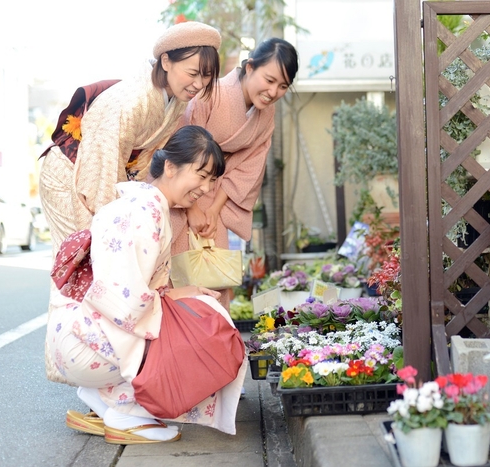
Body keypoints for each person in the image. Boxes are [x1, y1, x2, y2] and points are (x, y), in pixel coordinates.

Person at [39, 21, 222, 383]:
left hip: (107, 177)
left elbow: (143, 165)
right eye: (193, 73)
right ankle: (86, 373)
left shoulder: (171, 104)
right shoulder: (131, 99)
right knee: (89, 268)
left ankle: (103, 376)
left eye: (206, 77)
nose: (198, 84)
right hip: (73, 179)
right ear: (165, 61)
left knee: (111, 275)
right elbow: (100, 166)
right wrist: (115, 226)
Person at [48, 125, 247, 444]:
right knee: (198, 336)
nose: (206, 188)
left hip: (74, 337)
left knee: (192, 310)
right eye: (202, 175)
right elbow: (123, 300)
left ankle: (103, 398)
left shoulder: (138, 203)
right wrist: (180, 311)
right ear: (170, 167)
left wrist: (182, 295)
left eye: (212, 180)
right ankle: (123, 413)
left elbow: (132, 288)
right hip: (85, 347)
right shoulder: (146, 213)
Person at [139, 38, 299, 309]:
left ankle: (212, 341)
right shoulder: (213, 92)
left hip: (215, 197)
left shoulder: (266, 115)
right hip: (182, 188)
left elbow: (250, 165)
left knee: (213, 276)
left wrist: (213, 209)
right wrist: (191, 209)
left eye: (283, 86)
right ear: (249, 68)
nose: (273, 92)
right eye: (269, 80)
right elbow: (181, 145)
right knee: (174, 269)